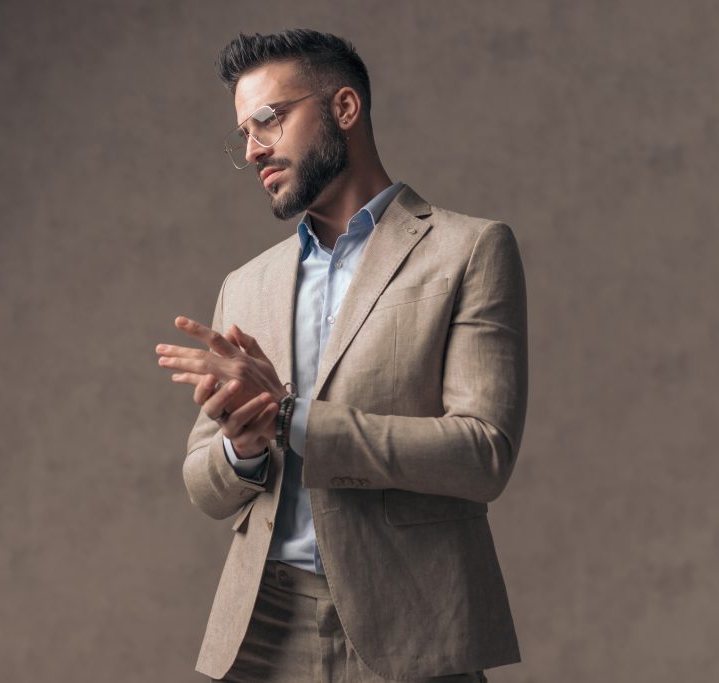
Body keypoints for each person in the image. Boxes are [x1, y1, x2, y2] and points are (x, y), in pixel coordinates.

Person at [155, 29, 527, 682]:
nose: (252, 150)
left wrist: (288, 418)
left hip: (412, 621)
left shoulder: (468, 250)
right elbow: (201, 482)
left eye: (268, 119)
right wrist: (242, 448)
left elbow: (483, 452)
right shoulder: (246, 285)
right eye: (242, 133)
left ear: (345, 109)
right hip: (266, 621)